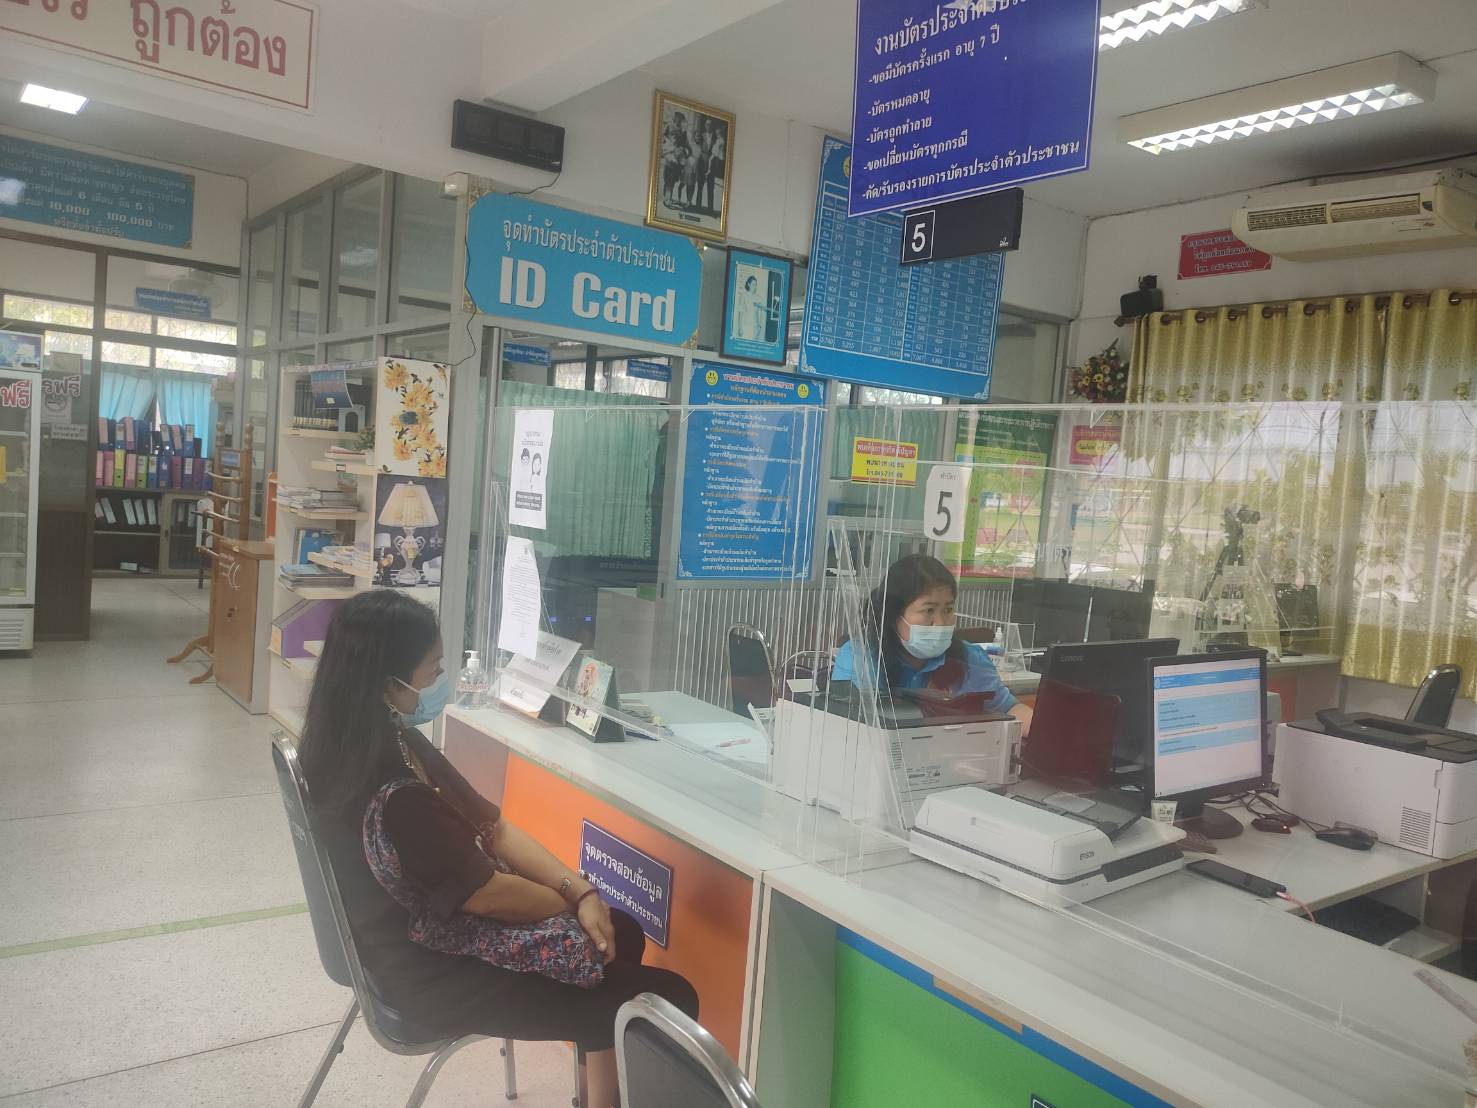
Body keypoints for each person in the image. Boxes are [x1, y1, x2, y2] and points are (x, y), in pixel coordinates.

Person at [298, 591, 697, 1108]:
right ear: (388, 680)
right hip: (430, 975)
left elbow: (496, 828)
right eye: (433, 668)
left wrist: (581, 890)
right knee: (670, 998)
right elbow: (488, 896)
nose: (440, 679)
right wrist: (576, 901)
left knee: (618, 933)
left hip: (402, 943)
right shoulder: (395, 794)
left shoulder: (363, 742)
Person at [831, 553, 1033, 731]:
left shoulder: (970, 660)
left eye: (948, 610)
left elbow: (1010, 709)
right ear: (893, 615)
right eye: (929, 610)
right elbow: (851, 727)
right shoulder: (860, 658)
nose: (940, 623)